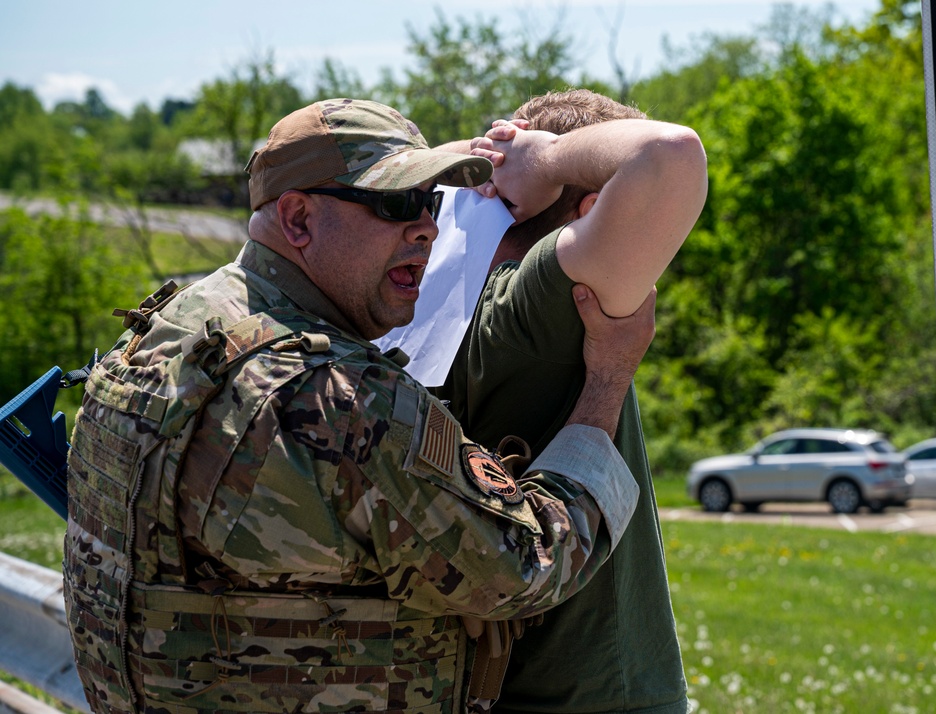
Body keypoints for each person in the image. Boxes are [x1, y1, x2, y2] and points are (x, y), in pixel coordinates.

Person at [61, 98, 660, 714]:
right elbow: (531, 566)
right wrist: (608, 380)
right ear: (298, 219)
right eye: (397, 203)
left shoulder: (168, 331)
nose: (426, 228)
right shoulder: (336, 398)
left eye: (432, 202)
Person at [410, 90, 708, 713]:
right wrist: (548, 161)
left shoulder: (416, 310)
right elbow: (670, 157)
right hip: (599, 694)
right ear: (596, 207)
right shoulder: (538, 304)